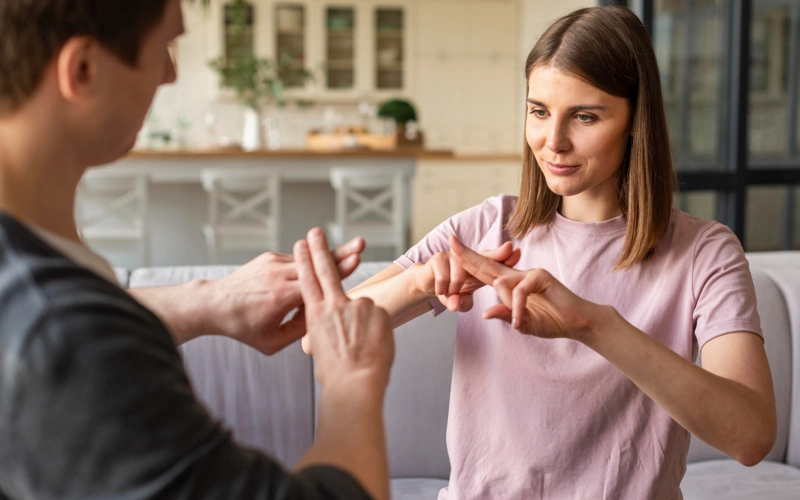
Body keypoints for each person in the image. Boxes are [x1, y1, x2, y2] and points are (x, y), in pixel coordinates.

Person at [334, 6, 777, 499]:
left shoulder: (704, 253)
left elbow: (751, 436)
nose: (553, 142)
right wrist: (419, 281)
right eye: (539, 111)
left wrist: (592, 325)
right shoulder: (484, 228)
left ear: (636, 120)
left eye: (585, 116)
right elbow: (321, 337)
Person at [0, 1, 395, 499]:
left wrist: (206, 301)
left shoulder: (42, 302)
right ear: (82, 70)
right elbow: (61, 336)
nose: (170, 73)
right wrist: (351, 378)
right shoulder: (65, 333)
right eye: (164, 46)